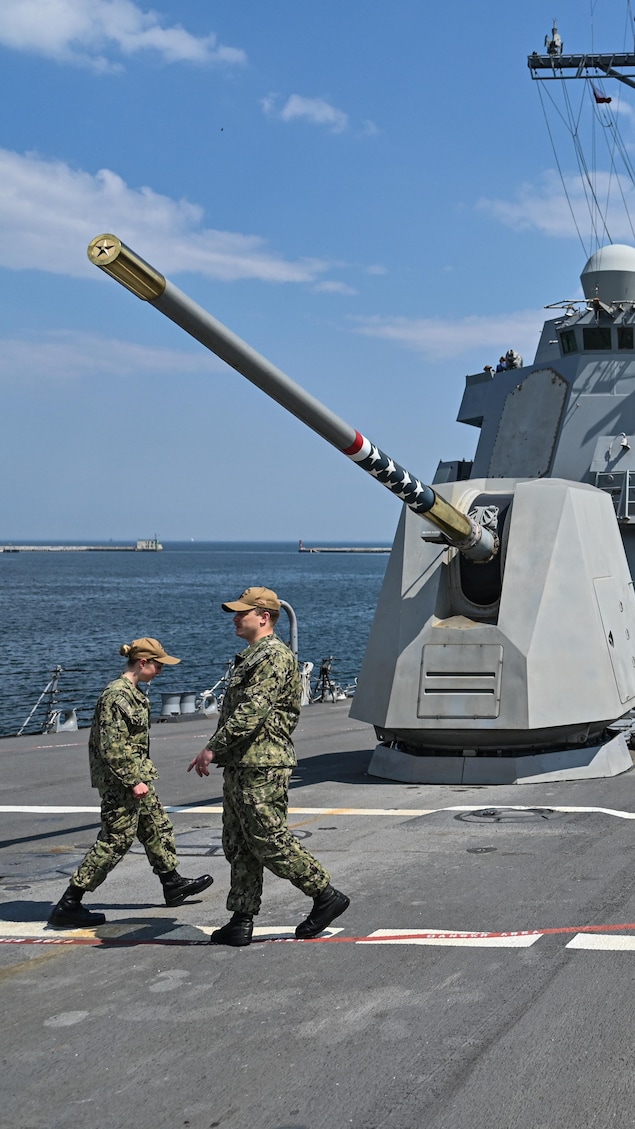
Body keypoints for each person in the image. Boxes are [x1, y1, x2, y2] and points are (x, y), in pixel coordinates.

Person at [188, 586, 350, 947]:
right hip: (244, 762)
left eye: (242, 612)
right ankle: (242, 918)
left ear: (264, 617)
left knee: (267, 838)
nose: (235, 618)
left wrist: (212, 750)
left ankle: (325, 894)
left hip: (263, 763)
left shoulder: (273, 657)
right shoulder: (252, 656)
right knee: (239, 842)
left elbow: (252, 711)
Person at [48, 637, 213, 929]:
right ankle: (69, 903)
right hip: (121, 781)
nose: (161, 671)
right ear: (142, 663)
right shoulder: (117, 696)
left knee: (156, 826)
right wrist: (133, 780)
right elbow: (111, 746)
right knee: (115, 840)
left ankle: (172, 883)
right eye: (158, 665)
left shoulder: (133, 693)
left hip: (137, 776)